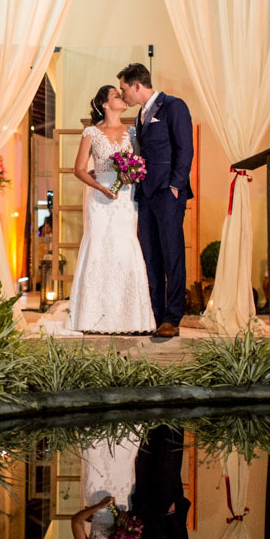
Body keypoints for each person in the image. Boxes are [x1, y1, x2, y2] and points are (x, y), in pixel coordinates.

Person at [65, 85, 156, 334]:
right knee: (98, 246)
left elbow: (141, 164)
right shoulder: (91, 133)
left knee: (125, 248)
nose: (122, 97)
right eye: (117, 95)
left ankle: (130, 318)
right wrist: (100, 187)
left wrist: (132, 175)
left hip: (125, 198)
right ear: (105, 104)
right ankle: (92, 316)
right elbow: (79, 169)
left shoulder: (133, 132)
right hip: (99, 198)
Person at [118, 63, 194, 339]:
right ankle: (155, 314)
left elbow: (185, 149)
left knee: (172, 254)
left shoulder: (174, 106)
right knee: (151, 255)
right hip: (146, 194)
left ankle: (172, 318)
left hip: (167, 192)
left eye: (124, 89)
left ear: (137, 85)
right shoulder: (140, 116)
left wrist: (175, 186)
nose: (123, 95)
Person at [72, 430, 141, 539]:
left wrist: (98, 506)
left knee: (97, 456)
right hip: (124, 500)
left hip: (99, 497)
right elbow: (139, 530)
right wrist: (129, 520)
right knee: (124, 460)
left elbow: (76, 522)